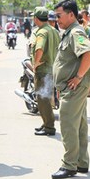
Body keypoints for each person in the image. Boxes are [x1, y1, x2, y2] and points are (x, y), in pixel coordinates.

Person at [51, 0, 90, 179]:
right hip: (73, 86)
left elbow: (89, 52)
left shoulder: (76, 32)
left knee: (69, 125)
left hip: (74, 87)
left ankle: (69, 165)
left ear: (71, 14)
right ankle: (81, 162)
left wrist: (78, 77)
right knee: (80, 125)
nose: (57, 20)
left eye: (59, 16)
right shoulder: (70, 32)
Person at [30, 7, 60, 137]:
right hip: (52, 68)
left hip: (43, 70)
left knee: (43, 99)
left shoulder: (41, 32)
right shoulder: (53, 30)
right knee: (46, 98)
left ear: (36, 18)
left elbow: (39, 49)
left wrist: (35, 64)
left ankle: (49, 127)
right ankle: (46, 123)